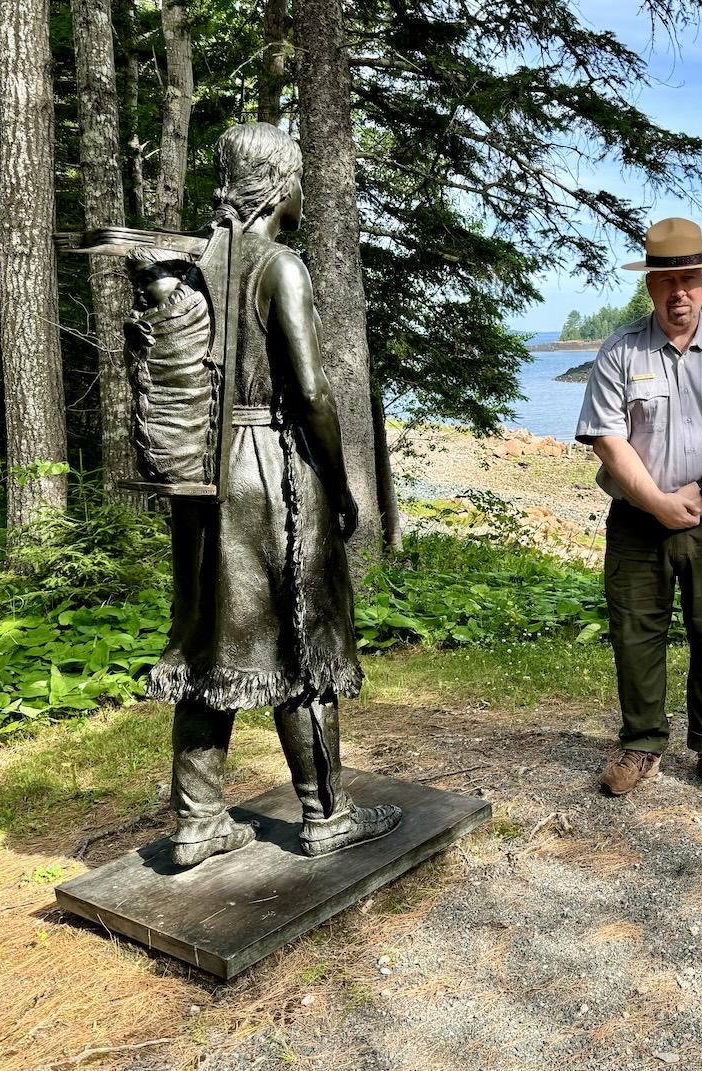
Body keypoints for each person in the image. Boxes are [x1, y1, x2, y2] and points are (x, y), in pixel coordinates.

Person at [145, 123, 402, 865]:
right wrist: (345, 485)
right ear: (275, 185)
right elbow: (314, 390)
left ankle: (197, 819)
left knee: (205, 640)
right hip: (271, 467)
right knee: (304, 632)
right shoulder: (279, 266)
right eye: (294, 179)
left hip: (200, 473)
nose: (299, 192)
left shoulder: (193, 262)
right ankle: (327, 813)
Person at [575, 218, 702, 799]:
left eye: (689, 278)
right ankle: (641, 743)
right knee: (635, 633)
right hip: (638, 524)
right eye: (667, 282)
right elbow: (607, 439)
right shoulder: (620, 351)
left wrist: (700, 494)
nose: (679, 293)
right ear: (650, 287)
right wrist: (659, 502)